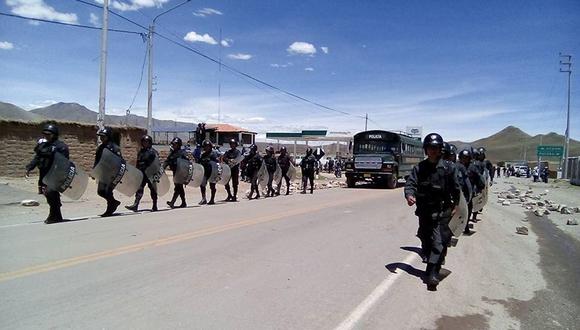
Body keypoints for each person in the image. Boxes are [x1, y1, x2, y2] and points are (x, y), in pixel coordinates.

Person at [404, 133, 461, 290]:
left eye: (435, 148)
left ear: (440, 149)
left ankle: (433, 273)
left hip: (443, 211)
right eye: (430, 148)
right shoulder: (419, 168)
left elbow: (456, 189)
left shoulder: (449, 168)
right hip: (424, 211)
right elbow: (410, 184)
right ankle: (431, 261)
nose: (433, 151)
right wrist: (409, 195)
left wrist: (456, 205)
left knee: (438, 241)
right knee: (424, 237)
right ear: (426, 149)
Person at [26, 124, 70, 224]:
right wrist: (30, 167)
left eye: (48, 134)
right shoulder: (43, 146)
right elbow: (37, 158)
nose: (46, 136)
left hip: (55, 174)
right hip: (44, 173)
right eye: (44, 134)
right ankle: (57, 214)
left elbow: (64, 162)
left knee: (50, 192)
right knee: (48, 194)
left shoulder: (61, 147)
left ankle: (54, 214)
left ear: (54, 134)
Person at [125, 135, 158, 212]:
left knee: (153, 190)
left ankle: (154, 205)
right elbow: (138, 162)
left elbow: (157, 164)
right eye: (143, 142)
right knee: (139, 189)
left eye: (146, 142)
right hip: (142, 173)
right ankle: (135, 205)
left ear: (150, 143)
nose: (145, 143)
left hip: (150, 174)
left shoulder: (153, 152)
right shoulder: (141, 152)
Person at [94, 127, 122, 217]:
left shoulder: (115, 148)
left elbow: (120, 161)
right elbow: (97, 161)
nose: (101, 138)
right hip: (103, 173)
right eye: (100, 136)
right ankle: (113, 202)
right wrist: (94, 171)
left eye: (103, 136)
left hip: (113, 174)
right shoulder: (100, 148)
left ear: (108, 136)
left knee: (108, 191)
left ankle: (110, 208)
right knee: (101, 191)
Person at [163, 137, 188, 208]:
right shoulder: (172, 153)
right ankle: (183, 202)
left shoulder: (182, 153)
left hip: (181, 173)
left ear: (179, 145)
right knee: (179, 188)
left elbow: (187, 163)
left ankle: (173, 202)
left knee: (178, 187)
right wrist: (162, 168)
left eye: (175, 144)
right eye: (173, 144)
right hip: (175, 173)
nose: (174, 145)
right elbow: (167, 161)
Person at [199, 140, 219, 205]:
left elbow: (216, 162)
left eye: (208, 146)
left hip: (212, 172)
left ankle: (212, 199)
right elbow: (199, 162)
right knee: (202, 185)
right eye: (205, 146)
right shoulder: (203, 155)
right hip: (205, 172)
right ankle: (203, 198)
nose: (207, 147)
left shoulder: (213, 154)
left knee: (212, 186)